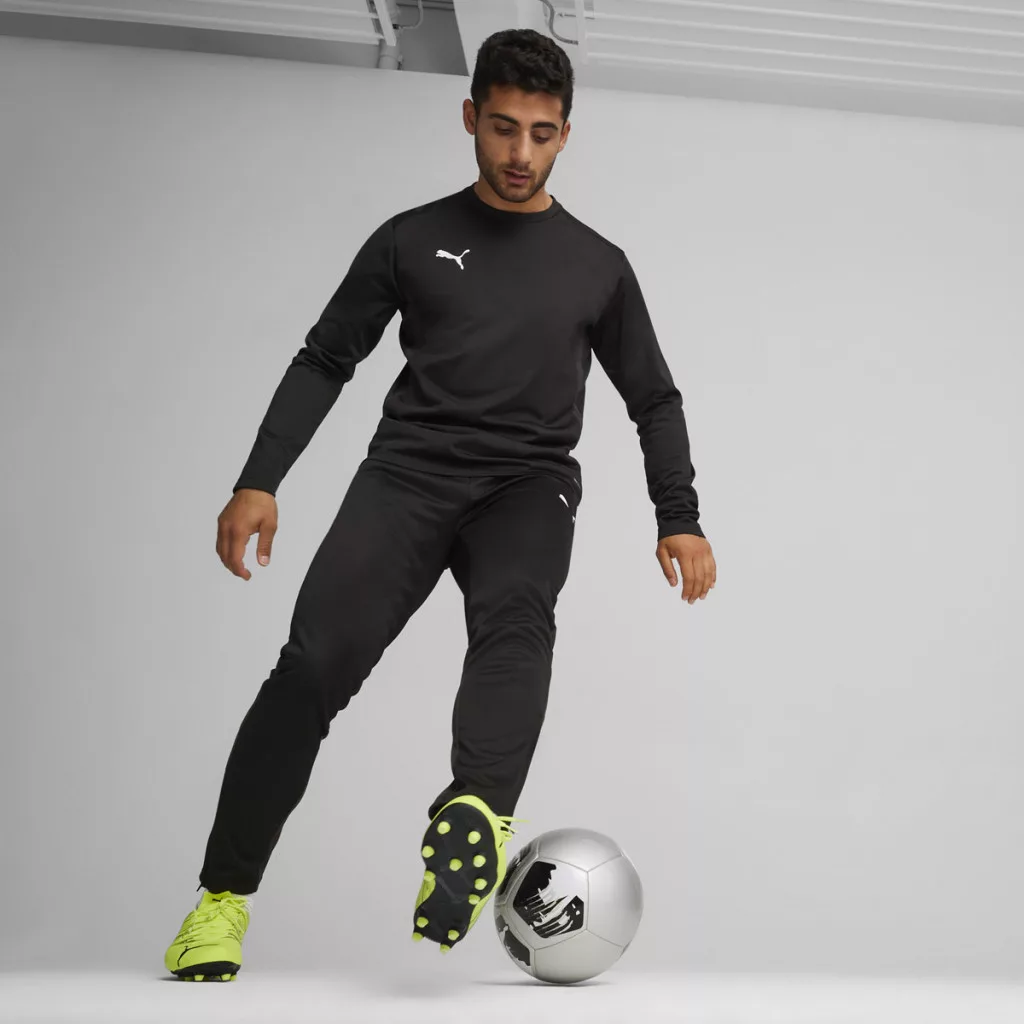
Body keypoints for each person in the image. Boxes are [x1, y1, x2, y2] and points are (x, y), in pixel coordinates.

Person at [164, 27, 717, 982]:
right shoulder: (410, 238)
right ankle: (220, 905)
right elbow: (326, 357)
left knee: (516, 620)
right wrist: (260, 478)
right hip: (408, 475)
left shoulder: (597, 264)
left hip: (527, 484)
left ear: (566, 135)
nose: (520, 153)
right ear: (469, 118)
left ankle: (476, 816)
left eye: (541, 133)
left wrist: (680, 514)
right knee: (308, 671)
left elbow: (653, 398)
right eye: (502, 128)